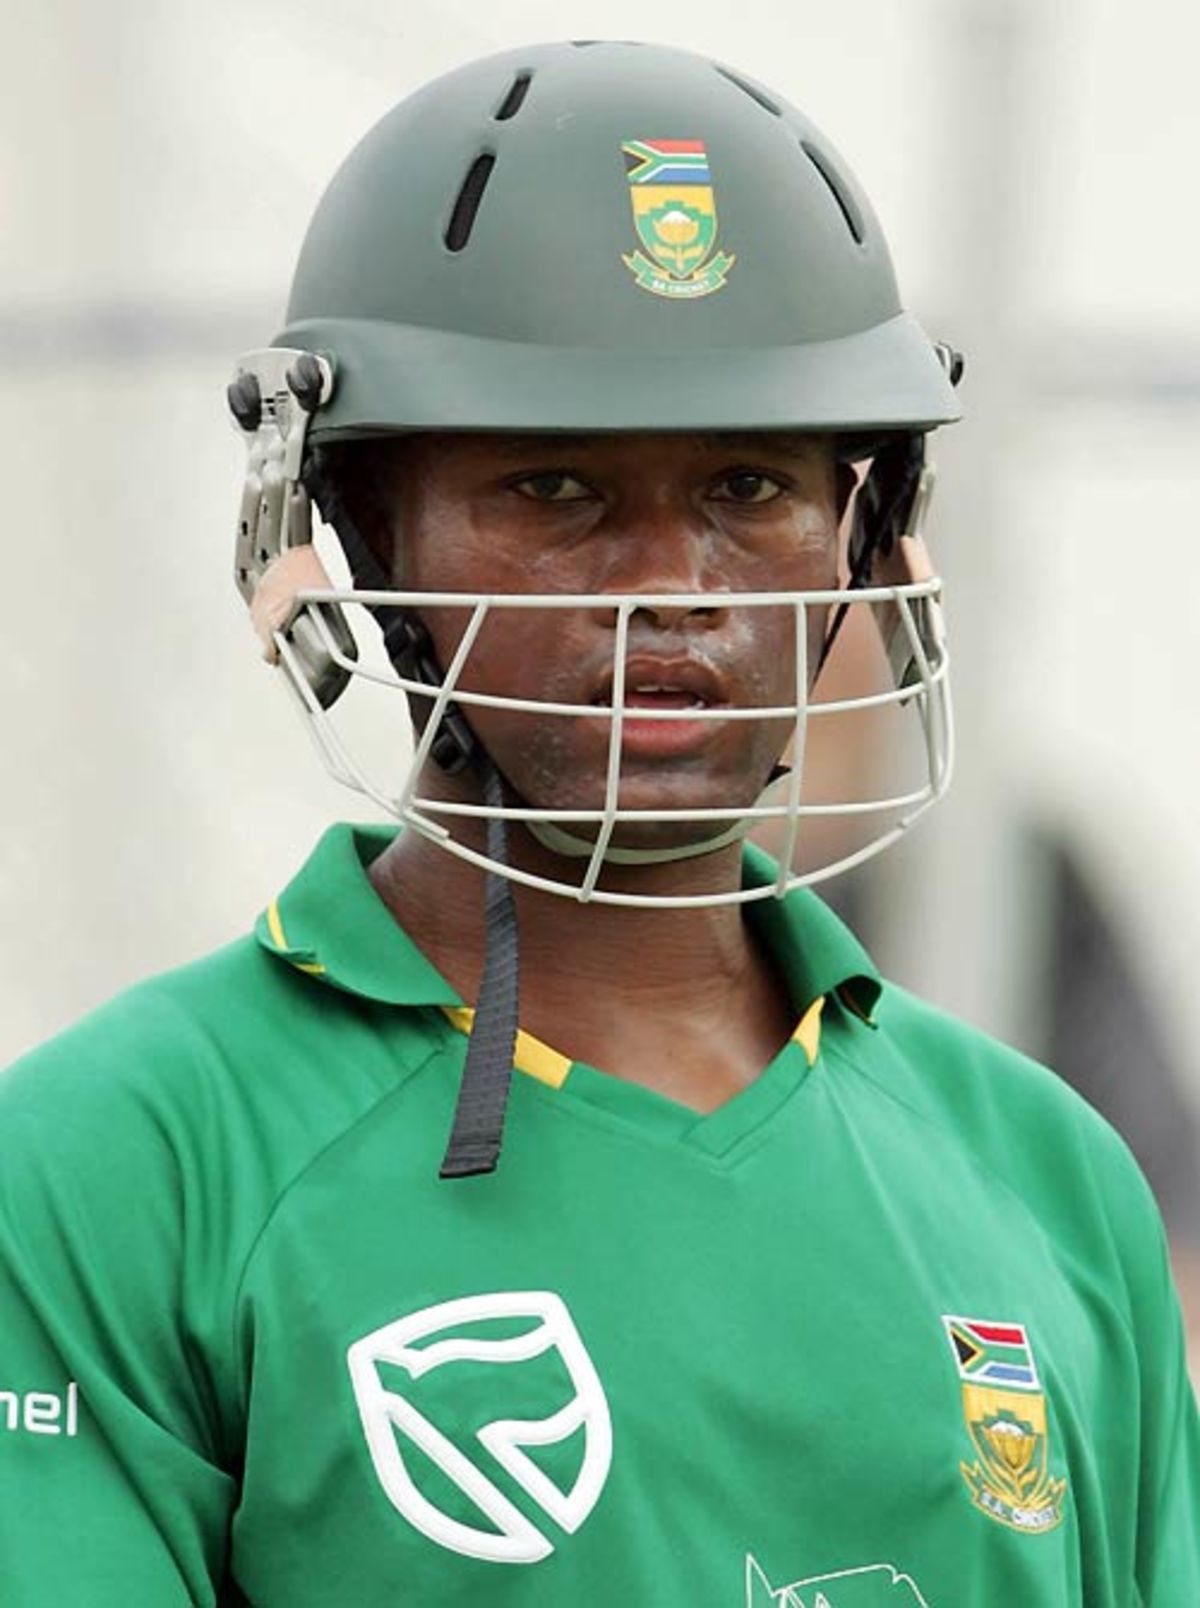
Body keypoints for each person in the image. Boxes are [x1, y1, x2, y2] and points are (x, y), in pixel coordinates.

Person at [0, 40, 1195, 1608]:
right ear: (353, 527)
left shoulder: (1047, 1175)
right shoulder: (120, 1161)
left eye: (752, 486)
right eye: (556, 487)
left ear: (866, 534)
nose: (673, 590)